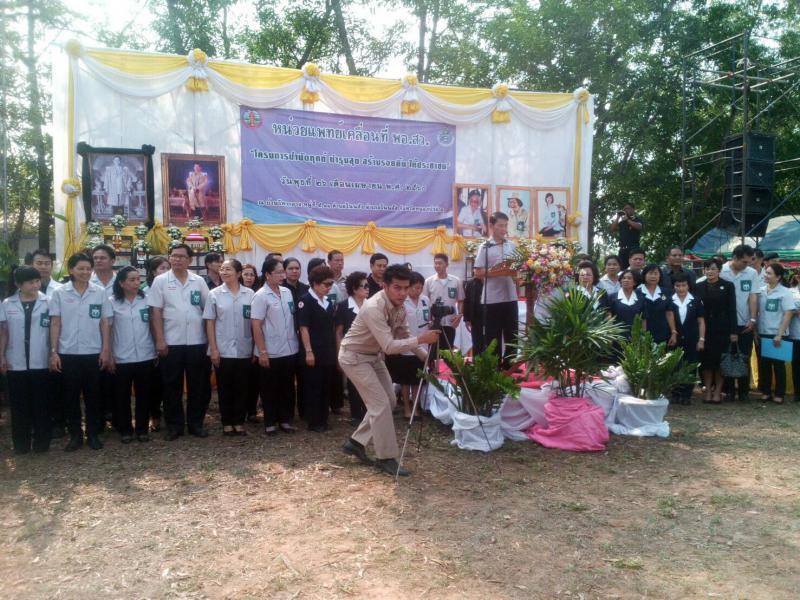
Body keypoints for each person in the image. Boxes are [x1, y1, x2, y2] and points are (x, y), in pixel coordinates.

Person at [339, 264, 440, 477]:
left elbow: (404, 336)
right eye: (397, 288)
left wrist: (427, 358)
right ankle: (385, 458)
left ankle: (355, 443)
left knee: (390, 401)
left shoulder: (399, 306)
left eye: (406, 288)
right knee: (381, 405)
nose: (403, 293)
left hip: (373, 357)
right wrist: (422, 339)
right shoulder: (373, 307)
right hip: (354, 358)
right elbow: (389, 346)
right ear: (384, 286)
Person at [48, 253, 113, 451]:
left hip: (92, 352)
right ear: (71, 270)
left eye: (88, 268)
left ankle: (93, 434)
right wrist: (54, 351)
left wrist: (105, 350)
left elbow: (105, 322)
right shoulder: (60, 293)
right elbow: (55, 323)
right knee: (71, 396)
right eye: (80, 268)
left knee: (93, 395)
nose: (85, 272)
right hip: (67, 353)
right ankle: (75, 435)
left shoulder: (99, 292)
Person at [147, 243, 211, 440]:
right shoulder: (160, 281)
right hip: (171, 341)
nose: (177, 259)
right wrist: (160, 339)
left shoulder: (198, 281)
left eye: (181, 256)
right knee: (171, 386)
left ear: (189, 260)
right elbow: (156, 312)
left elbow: (207, 310)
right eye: (174, 256)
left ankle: (195, 424)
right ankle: (174, 426)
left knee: (197, 386)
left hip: (197, 341)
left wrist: (210, 341)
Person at [0, 267, 51, 454]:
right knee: (19, 405)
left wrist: (53, 353)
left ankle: (41, 443)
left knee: (41, 403)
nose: (35, 285)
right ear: (18, 284)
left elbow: (54, 328)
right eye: (30, 282)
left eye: (37, 281)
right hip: (16, 361)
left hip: (41, 360)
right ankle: (21, 444)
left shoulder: (48, 301)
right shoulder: (7, 304)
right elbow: (4, 332)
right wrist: (1, 355)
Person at [204, 259, 254, 436]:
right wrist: (213, 349)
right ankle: (226, 422)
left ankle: (239, 421)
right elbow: (210, 323)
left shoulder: (249, 294)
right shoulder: (214, 294)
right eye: (222, 269)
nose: (224, 272)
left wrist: (255, 348)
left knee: (242, 387)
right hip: (223, 349)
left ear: (238, 274)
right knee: (224, 387)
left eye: (228, 269)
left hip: (244, 347)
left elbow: (254, 322)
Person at [252, 257, 300, 435]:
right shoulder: (260, 296)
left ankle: (285, 420)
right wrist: (262, 351)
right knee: (270, 388)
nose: (282, 275)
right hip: (270, 350)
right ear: (267, 274)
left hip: (289, 348)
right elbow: (256, 325)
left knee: (287, 387)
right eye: (278, 272)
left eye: (282, 272)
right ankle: (270, 421)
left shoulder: (286, 292)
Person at [109, 266, 156, 443]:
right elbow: (108, 329)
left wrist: (156, 347)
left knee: (144, 394)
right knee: (122, 395)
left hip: (145, 354)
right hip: (121, 356)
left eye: (138, 279)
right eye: (132, 280)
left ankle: (142, 429)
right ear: (121, 283)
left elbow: (153, 325)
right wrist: (109, 353)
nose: (136, 283)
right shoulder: (112, 302)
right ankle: (125, 429)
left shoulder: (147, 300)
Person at [297, 265, 338, 432]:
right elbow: (303, 328)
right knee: (314, 386)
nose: (329, 287)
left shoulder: (327, 302)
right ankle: (314, 421)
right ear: (315, 283)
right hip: (313, 350)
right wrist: (308, 351)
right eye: (326, 284)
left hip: (327, 350)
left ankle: (323, 418)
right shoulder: (305, 301)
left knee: (325, 385)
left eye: (330, 284)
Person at [474, 212, 519, 366]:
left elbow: (517, 269)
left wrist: (516, 272)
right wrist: (498, 272)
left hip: (510, 296)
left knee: (512, 333)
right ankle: (494, 367)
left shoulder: (511, 246)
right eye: (500, 225)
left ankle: (510, 365)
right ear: (492, 226)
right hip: (492, 298)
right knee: (493, 336)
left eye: (505, 225)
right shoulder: (485, 247)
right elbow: (478, 272)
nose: (503, 229)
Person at [29, 249, 64, 440]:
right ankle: (38, 423)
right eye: (39, 263)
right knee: (36, 388)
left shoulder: (61, 289)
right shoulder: (21, 291)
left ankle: (58, 423)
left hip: (56, 347)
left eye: (47, 263)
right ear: (31, 265)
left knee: (56, 386)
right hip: (31, 349)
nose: (43, 267)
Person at [386, 271, 430, 418]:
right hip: (405, 346)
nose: (418, 291)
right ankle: (406, 408)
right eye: (415, 287)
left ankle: (415, 407)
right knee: (405, 380)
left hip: (422, 346)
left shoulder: (425, 300)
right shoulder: (401, 302)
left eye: (420, 287)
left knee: (417, 380)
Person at [720, 244, 760, 402]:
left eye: (749, 262)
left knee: (744, 355)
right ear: (735, 258)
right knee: (727, 355)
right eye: (744, 262)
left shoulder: (751, 273)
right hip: (725, 323)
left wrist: (753, 319)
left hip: (745, 323)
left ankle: (744, 391)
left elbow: (753, 296)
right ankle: (728, 391)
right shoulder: (721, 270)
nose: (747, 265)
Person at [695, 258, 737, 404]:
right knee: (706, 362)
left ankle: (718, 391)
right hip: (704, 329)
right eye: (707, 269)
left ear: (719, 270)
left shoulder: (728, 286)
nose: (710, 271)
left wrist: (733, 331)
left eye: (713, 268)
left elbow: (732, 309)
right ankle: (708, 390)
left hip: (722, 329)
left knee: (720, 362)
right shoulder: (698, 286)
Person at [756, 263, 794, 404]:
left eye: (769, 273)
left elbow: (788, 314)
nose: (766, 275)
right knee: (764, 365)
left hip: (778, 334)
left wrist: (780, 334)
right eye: (766, 272)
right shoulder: (761, 291)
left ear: (778, 277)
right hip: (763, 332)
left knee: (778, 365)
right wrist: (755, 331)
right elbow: (756, 312)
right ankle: (766, 392)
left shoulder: (785, 292)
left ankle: (779, 394)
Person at [335, 271, 369, 425]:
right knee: (354, 384)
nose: (367, 288)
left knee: (369, 383)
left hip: (369, 350)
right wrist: (339, 353)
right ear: (354, 289)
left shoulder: (371, 304)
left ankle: (369, 412)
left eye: (368, 285)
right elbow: (339, 332)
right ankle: (356, 414)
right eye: (364, 286)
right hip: (351, 351)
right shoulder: (343, 306)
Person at [90, 244, 117, 431]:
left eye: (103, 257)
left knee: (115, 381)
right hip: (92, 338)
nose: (98, 261)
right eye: (96, 258)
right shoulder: (86, 281)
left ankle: (116, 418)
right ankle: (97, 421)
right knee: (95, 382)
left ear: (113, 260)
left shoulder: (121, 281)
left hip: (118, 336)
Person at [670, 272, 705, 404]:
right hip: (675, 339)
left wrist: (701, 339)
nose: (681, 288)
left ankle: (687, 395)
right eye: (678, 285)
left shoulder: (696, 300)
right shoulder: (669, 300)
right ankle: (676, 393)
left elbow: (701, 322)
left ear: (688, 286)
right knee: (675, 366)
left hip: (692, 338)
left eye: (683, 285)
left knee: (690, 366)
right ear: (674, 286)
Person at [143, 255, 169, 432]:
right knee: (154, 382)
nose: (165, 272)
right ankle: (154, 415)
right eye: (162, 268)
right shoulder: (144, 291)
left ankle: (170, 414)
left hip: (171, 340)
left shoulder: (172, 288)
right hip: (151, 342)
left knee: (168, 381)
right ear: (153, 272)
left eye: (167, 268)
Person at [423, 253, 464, 349]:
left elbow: (461, 300)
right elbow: (424, 302)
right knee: (433, 350)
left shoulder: (456, 281)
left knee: (448, 350)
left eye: (440, 263)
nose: (437, 266)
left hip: (450, 321)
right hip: (434, 322)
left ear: (446, 264)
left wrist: (459, 315)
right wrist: (427, 320)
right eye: (435, 263)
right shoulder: (428, 281)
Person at [241, 263, 261, 422]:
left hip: (255, 343)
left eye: (252, 275)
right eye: (246, 274)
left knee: (254, 379)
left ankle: (252, 411)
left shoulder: (257, 295)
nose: (249, 277)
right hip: (238, 343)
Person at [639, 264, 677, 346]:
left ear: (660, 276)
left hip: (663, 334)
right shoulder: (637, 292)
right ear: (644, 275)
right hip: (643, 335)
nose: (653, 276)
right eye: (650, 273)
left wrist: (673, 332)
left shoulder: (666, 292)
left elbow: (669, 313)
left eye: (656, 273)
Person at [605, 269, 646, 340]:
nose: (626, 280)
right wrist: (609, 336)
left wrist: (643, 336)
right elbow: (609, 317)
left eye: (629, 278)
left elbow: (643, 319)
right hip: (617, 337)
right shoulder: (612, 297)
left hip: (635, 338)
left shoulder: (641, 298)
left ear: (635, 282)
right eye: (624, 278)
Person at [609, 202, 643, 268]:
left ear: (633, 209)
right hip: (623, 250)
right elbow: (612, 229)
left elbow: (639, 227)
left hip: (634, 249)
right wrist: (618, 217)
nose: (626, 210)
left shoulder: (637, 219)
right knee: (622, 269)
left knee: (634, 268)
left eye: (628, 208)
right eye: (624, 209)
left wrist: (627, 220)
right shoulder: (622, 222)